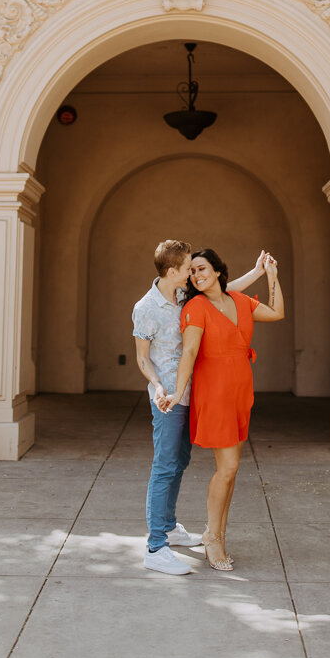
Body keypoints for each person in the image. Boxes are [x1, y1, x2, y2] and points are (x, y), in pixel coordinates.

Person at [132, 240, 269, 575]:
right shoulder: (146, 307)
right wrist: (161, 387)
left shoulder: (184, 295)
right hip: (169, 399)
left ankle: (168, 526)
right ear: (173, 271)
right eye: (188, 268)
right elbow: (141, 358)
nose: (193, 273)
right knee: (164, 466)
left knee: (179, 461)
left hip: (197, 394)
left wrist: (258, 271)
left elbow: (225, 289)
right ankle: (155, 546)